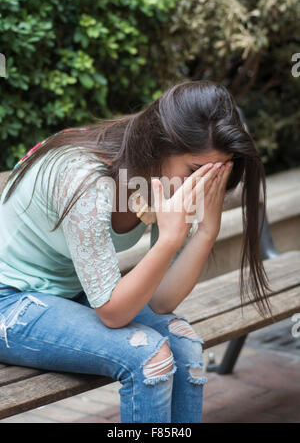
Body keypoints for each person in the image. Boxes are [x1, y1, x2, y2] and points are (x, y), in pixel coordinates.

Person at [0, 79, 273, 423]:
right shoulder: (86, 180)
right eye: (195, 172)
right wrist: (171, 239)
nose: (201, 186)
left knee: (184, 343)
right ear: (160, 146)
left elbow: (160, 301)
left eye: (214, 174)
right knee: (149, 356)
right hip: (9, 302)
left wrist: (206, 231)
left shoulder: (161, 175)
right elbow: (114, 314)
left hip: (71, 295)